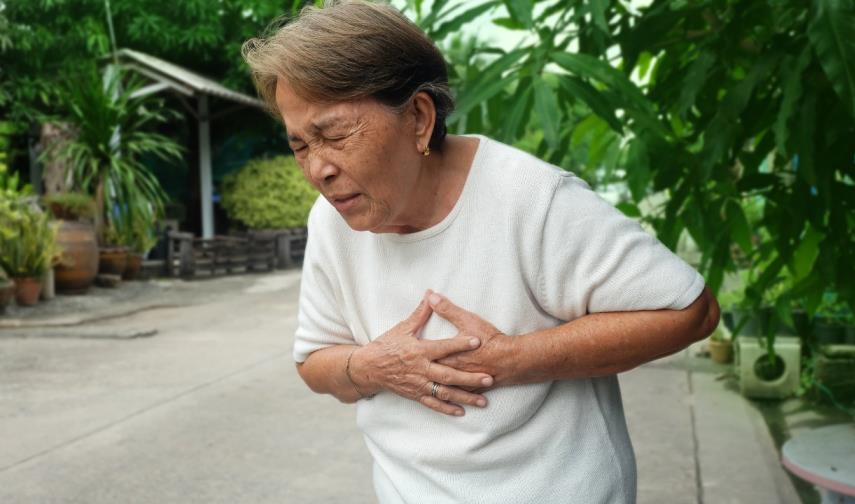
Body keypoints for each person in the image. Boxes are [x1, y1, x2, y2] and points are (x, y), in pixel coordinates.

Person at [242, 1, 720, 502]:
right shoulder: (332, 221)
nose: (318, 169)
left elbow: (690, 311)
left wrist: (514, 359)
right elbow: (314, 358)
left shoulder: (529, 199)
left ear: (418, 118)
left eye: (335, 135)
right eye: (300, 146)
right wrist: (370, 366)